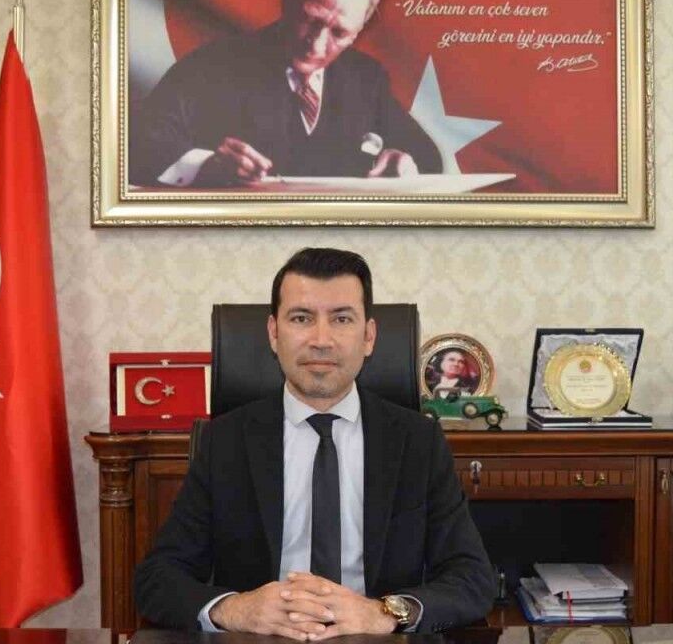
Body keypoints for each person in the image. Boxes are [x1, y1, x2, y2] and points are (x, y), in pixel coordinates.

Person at [134, 248, 495, 638]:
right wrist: (237, 609)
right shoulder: (225, 441)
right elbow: (157, 578)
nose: (321, 340)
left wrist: (385, 613)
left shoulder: (418, 441)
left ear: (369, 336)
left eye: (341, 319)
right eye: (301, 318)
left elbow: (473, 578)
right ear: (274, 333)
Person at [130, 0, 442, 188]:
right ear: (287, 0)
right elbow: (139, 144)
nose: (316, 44)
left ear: (358, 32)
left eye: (339, 33)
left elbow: (427, 155)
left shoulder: (365, 78)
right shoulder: (212, 66)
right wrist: (206, 165)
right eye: (311, 19)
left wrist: (405, 161)